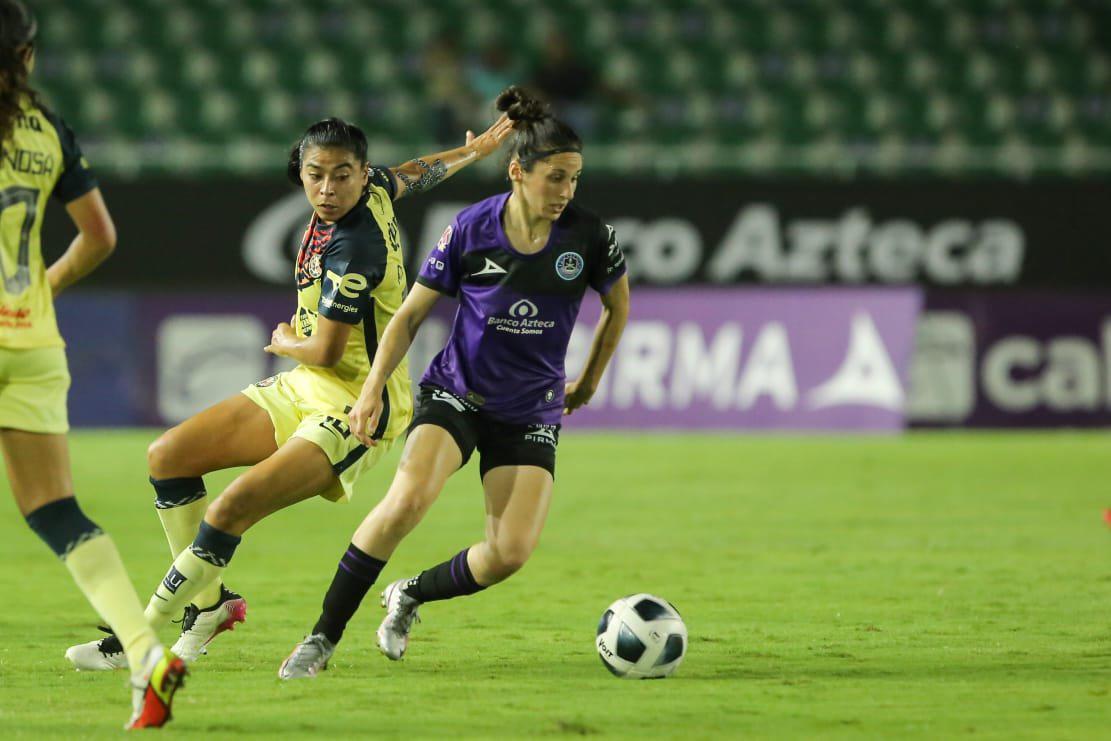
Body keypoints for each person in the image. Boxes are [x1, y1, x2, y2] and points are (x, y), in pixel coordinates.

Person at [64, 111, 515, 671]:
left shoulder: (356, 248)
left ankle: (131, 640)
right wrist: (471, 153)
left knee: (231, 508)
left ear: (360, 172)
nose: (328, 189)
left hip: (358, 403)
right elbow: (416, 173)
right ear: (300, 172)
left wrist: (282, 339)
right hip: (305, 388)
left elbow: (324, 349)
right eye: (316, 174)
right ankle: (210, 606)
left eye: (341, 176)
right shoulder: (374, 187)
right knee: (169, 457)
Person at [278, 86, 629, 679]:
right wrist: (371, 390)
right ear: (518, 172)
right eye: (555, 179)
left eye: (574, 180)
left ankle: (410, 594)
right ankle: (321, 638)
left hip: (531, 409)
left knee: (509, 554)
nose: (566, 193)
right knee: (408, 501)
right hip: (456, 394)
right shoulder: (472, 227)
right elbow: (411, 314)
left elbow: (619, 308)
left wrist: (588, 381)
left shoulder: (590, 236)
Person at [0, 0, 184, 728]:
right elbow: (100, 235)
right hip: (33, 341)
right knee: (54, 509)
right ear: (28, 56)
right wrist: (39, 288)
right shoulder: (47, 132)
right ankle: (144, 653)